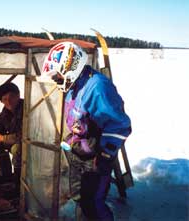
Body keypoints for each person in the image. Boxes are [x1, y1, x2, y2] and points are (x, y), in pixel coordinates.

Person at [42, 42, 131, 221]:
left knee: (93, 204)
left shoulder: (98, 87)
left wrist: (105, 156)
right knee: (80, 199)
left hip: (95, 159)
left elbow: (119, 124)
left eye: (57, 75)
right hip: (79, 153)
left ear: (71, 67)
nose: (56, 80)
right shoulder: (75, 85)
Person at [0, 82, 23, 194]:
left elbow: (25, 135)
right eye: (4, 99)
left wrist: (3, 138)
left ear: (18, 95)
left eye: (11, 97)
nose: (8, 101)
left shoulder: (26, 108)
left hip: (30, 143)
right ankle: (5, 175)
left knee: (16, 149)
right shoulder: (6, 111)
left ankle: (18, 184)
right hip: (13, 140)